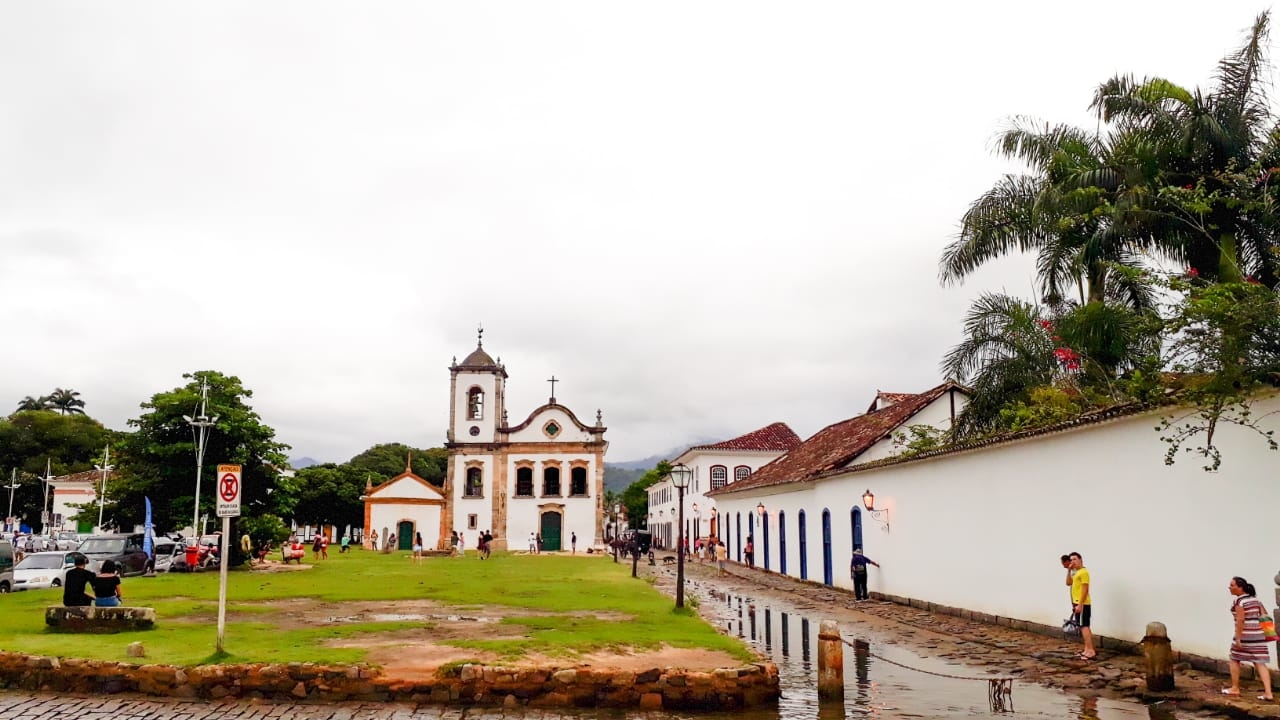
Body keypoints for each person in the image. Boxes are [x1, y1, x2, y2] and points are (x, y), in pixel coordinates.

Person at [1224, 576, 1273, 700]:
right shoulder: (1256, 600)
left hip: (1244, 635)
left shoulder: (1239, 602)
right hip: (1258, 636)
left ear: (1240, 588)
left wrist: (1239, 638)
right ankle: (1268, 693)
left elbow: (1241, 619)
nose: (1229, 587)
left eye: (1232, 585)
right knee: (1260, 663)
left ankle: (1235, 688)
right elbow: (1265, 616)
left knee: (1234, 659)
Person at [1068, 552, 1095, 659]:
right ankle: (1087, 648)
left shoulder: (1084, 572)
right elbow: (1068, 583)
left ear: (1080, 560)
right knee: (1083, 626)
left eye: (1075, 559)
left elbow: (1085, 589)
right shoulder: (1076, 572)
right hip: (1077, 602)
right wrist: (1069, 570)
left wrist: (1080, 604)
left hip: (1082, 603)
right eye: (1071, 560)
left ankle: (1091, 651)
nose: (1073, 561)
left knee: (1084, 626)